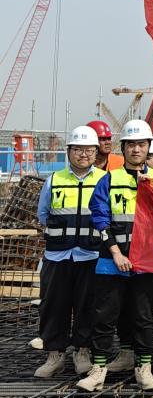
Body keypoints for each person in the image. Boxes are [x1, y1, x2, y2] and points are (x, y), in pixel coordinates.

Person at [76, 119, 153, 391]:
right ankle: (98, 370)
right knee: (104, 316)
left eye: (141, 144)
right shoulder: (108, 180)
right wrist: (115, 253)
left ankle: (144, 369)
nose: (136, 150)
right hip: (112, 262)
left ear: (149, 148)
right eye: (131, 145)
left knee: (143, 317)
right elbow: (100, 219)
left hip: (146, 265)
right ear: (122, 149)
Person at [34, 126, 104, 379]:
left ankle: (82, 352)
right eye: (78, 149)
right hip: (57, 256)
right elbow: (43, 214)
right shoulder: (54, 180)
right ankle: (55, 355)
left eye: (88, 150)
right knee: (54, 306)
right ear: (69, 152)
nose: (83, 154)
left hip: (91, 255)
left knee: (88, 306)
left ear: (96, 152)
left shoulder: (104, 180)